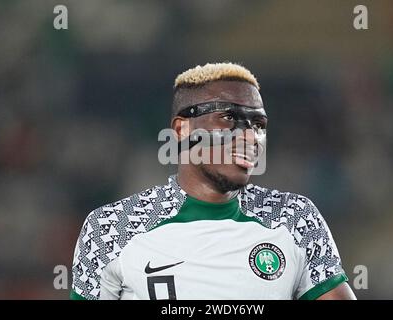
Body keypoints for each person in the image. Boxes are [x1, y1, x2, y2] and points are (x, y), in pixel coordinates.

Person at [70, 62, 356, 300]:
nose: (249, 137)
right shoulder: (112, 228)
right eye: (229, 119)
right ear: (182, 129)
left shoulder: (293, 219)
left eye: (259, 125)